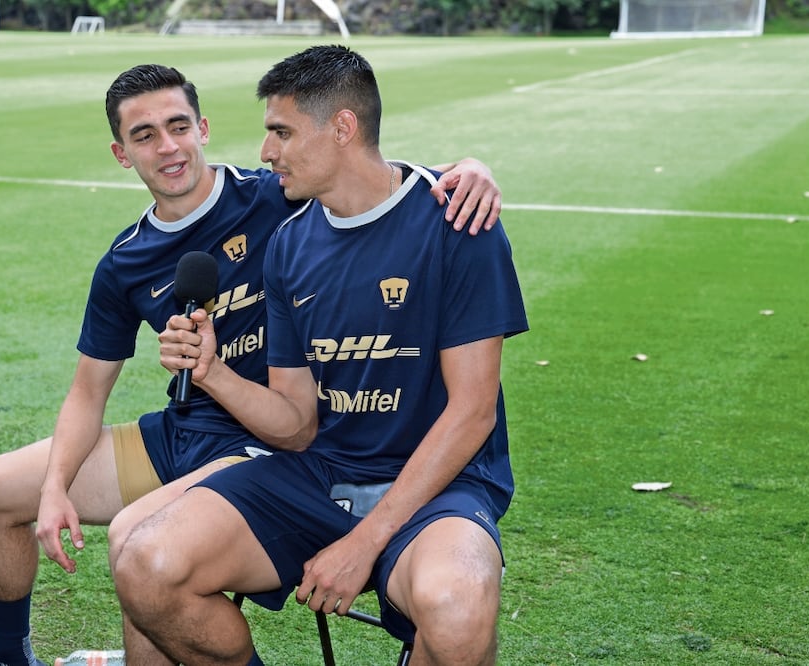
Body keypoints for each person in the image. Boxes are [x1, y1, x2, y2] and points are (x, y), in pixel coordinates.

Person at [0, 61, 503, 666]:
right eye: (144, 135)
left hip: (264, 440)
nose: (167, 146)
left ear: (202, 128)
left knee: (135, 535)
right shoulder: (129, 261)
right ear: (121, 153)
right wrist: (55, 487)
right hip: (197, 425)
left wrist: (470, 171)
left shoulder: (276, 199)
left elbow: (370, 177)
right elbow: (86, 392)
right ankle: (3, 654)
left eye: (177, 125)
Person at [113, 46, 528, 666]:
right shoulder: (287, 246)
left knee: (458, 605)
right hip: (320, 473)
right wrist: (213, 371)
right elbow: (297, 423)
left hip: (440, 486)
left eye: (280, 131)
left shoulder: (455, 219)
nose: (265, 152)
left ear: (341, 128)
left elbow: (472, 414)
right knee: (148, 564)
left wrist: (365, 541)